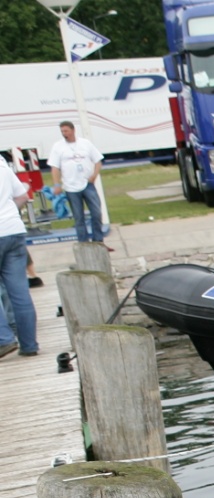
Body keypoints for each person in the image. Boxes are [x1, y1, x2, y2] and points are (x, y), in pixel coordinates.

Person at [0, 163, 40, 358]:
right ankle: (29, 344)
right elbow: (23, 195)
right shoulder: (2, 164)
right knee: (20, 292)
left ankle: (4, 339)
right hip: (14, 230)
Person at [46, 121, 105, 245]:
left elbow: (98, 160)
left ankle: (98, 240)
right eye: (62, 131)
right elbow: (55, 167)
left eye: (66, 131)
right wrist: (57, 184)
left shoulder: (85, 144)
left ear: (73, 130)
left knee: (96, 213)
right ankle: (83, 242)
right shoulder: (58, 147)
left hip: (87, 184)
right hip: (70, 186)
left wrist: (94, 175)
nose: (64, 134)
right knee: (79, 217)